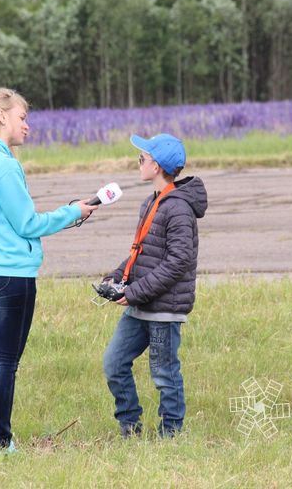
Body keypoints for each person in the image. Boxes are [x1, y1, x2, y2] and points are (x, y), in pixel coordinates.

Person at [0, 88, 97, 452]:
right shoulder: (3, 164)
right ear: (3, 117)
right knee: (4, 362)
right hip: (12, 274)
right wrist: (73, 212)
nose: (27, 125)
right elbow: (27, 224)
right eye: (22, 117)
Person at [101, 133, 207, 439]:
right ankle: (130, 426)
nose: (139, 163)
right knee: (114, 363)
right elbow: (142, 251)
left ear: (157, 166)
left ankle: (170, 435)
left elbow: (178, 262)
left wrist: (133, 292)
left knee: (164, 373)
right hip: (141, 304)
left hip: (163, 308)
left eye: (142, 159)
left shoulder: (178, 208)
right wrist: (117, 276)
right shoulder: (152, 202)